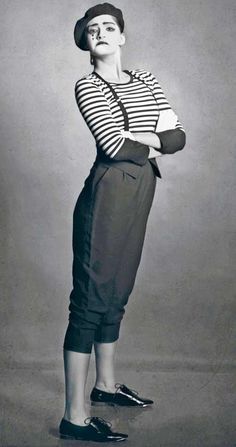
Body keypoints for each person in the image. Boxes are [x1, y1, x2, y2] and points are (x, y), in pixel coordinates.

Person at [59, 2, 186, 442]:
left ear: (122, 37)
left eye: (109, 26)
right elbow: (114, 144)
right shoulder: (86, 84)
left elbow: (178, 136)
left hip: (140, 193)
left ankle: (105, 387)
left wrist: (148, 140)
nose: (102, 32)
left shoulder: (147, 79)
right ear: (87, 43)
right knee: (91, 300)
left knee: (117, 294)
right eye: (93, 29)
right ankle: (74, 418)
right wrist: (155, 140)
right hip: (107, 197)